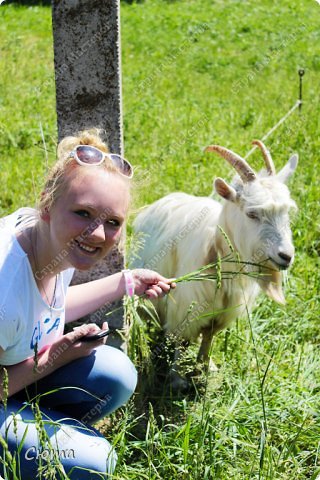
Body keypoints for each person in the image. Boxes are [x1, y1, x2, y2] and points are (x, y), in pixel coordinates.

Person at [0, 129, 174, 479]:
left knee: (116, 373)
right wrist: (54, 358)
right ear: (48, 204)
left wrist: (126, 283)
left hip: (13, 375)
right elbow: (15, 310)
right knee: (95, 462)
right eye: (83, 213)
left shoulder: (44, 240)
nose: (97, 234)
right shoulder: (5, 285)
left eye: (112, 222)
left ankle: (35, 437)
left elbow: (44, 308)